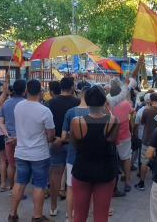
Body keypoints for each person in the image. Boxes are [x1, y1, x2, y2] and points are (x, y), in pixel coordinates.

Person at [70, 85, 119, 222]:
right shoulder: (113, 121)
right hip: (105, 170)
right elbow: (112, 141)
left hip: (82, 169)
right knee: (101, 215)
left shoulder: (76, 122)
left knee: (79, 214)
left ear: (86, 100)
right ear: (104, 101)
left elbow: (75, 145)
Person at [9, 79, 55, 222]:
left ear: (26, 91)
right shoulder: (45, 111)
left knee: (20, 182)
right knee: (40, 185)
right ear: (41, 92)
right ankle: (37, 216)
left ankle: (12, 214)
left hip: (21, 151)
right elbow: (51, 135)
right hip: (39, 153)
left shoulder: (18, 107)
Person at [47, 77, 80, 216]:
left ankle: (53, 206)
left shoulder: (49, 102)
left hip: (54, 142)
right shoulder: (78, 103)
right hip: (73, 143)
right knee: (73, 176)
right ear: (72, 87)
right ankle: (70, 209)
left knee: (55, 175)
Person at [61, 86, 91, 222]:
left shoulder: (70, 112)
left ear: (80, 96)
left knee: (70, 188)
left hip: (72, 156)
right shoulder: (96, 112)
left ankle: (69, 216)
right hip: (90, 157)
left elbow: (63, 136)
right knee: (89, 188)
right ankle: (85, 214)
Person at [0, 79, 26, 192]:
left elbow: (1, 122)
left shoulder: (6, 103)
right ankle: (17, 191)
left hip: (8, 138)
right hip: (22, 139)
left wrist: (7, 135)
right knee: (19, 165)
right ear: (25, 90)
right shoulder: (25, 103)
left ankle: (11, 188)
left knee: (11, 164)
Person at [134, 92, 157, 191]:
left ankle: (142, 183)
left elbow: (143, 123)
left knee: (144, 161)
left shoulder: (146, 110)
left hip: (147, 138)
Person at [110, 85, 134, 192]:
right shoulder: (125, 104)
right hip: (124, 136)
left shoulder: (109, 104)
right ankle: (127, 182)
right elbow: (132, 111)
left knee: (112, 160)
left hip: (111, 136)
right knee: (126, 158)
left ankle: (112, 183)